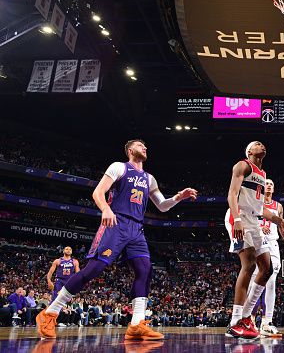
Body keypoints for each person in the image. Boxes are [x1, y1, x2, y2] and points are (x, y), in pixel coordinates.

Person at [36, 139, 197, 340]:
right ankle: (50, 312)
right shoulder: (119, 167)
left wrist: (178, 197)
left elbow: (162, 205)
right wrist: (105, 209)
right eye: (140, 145)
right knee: (93, 269)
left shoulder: (150, 178)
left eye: (145, 146)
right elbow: (98, 192)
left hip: (136, 229)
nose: (145, 148)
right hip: (116, 222)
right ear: (130, 150)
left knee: (145, 270)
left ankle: (137, 324)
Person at [224, 141, 284, 339]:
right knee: (250, 263)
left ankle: (246, 317)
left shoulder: (262, 175)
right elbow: (232, 194)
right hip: (239, 217)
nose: (262, 145)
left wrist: (278, 219)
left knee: (267, 268)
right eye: (257, 144)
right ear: (250, 151)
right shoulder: (242, 165)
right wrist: (236, 220)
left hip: (253, 220)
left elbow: (261, 208)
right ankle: (235, 321)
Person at [247, 178, 284, 337]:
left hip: (272, 244)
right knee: (253, 282)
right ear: (262, 187)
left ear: (273, 189)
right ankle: (247, 318)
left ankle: (267, 322)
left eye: (271, 184)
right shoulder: (254, 202)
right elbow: (248, 220)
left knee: (271, 281)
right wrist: (260, 226)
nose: (268, 185)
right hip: (256, 243)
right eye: (266, 183)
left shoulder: (278, 206)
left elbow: (283, 230)